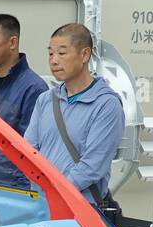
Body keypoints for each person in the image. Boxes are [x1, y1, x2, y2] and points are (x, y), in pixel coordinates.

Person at [23, 23, 124, 212]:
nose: (54, 60)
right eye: (50, 53)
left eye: (62, 53)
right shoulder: (46, 99)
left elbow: (92, 167)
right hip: (43, 206)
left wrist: (53, 192)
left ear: (85, 55)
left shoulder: (106, 104)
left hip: (81, 211)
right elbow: (29, 150)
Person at [0, 14, 48, 189]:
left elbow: (33, 150)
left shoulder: (34, 89)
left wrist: (21, 188)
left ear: (12, 43)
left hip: (12, 190)